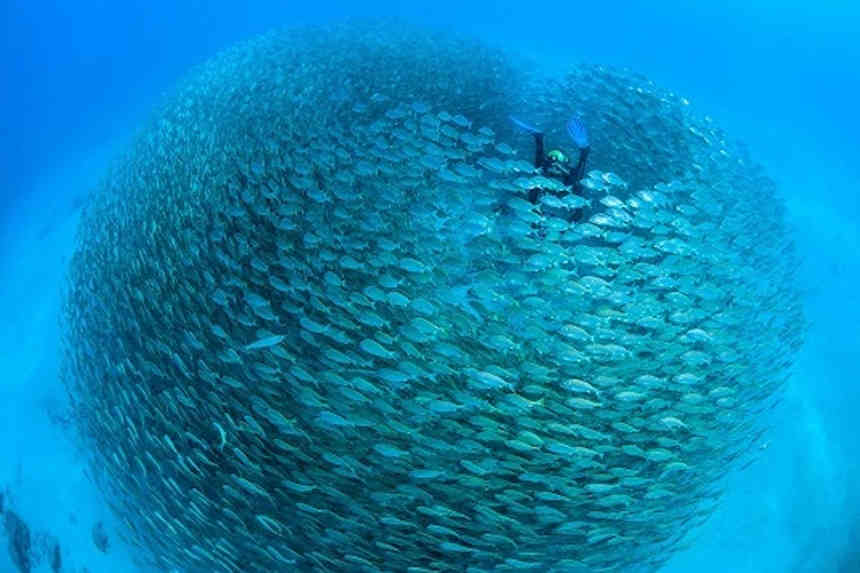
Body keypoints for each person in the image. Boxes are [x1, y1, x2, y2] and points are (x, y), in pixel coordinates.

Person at [511, 115, 590, 220]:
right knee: (539, 174)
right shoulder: (546, 173)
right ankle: (538, 136)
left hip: (556, 205)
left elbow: (580, 169)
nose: (555, 167)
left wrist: (584, 149)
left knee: (576, 183)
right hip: (547, 209)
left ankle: (538, 136)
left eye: (558, 165)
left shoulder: (571, 178)